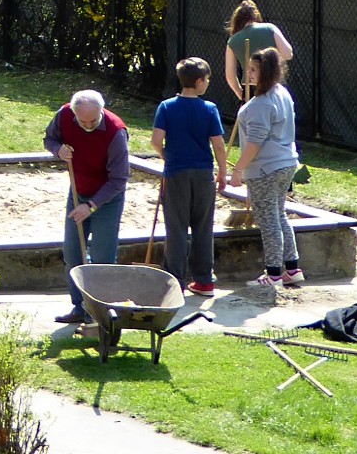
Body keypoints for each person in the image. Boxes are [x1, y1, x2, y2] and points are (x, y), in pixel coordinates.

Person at [43, 89, 130, 323]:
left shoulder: (115, 132)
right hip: (78, 192)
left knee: (102, 258)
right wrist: (58, 150)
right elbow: (49, 139)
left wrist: (90, 206)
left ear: (102, 110)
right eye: (83, 122)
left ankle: (101, 312)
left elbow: (119, 180)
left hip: (107, 199)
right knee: (73, 252)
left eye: (94, 120)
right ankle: (79, 308)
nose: (89, 126)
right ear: (74, 114)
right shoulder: (63, 115)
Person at [151, 58, 228, 297]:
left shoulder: (166, 107)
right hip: (203, 173)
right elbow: (218, 144)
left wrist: (166, 156)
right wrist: (222, 171)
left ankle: (175, 282)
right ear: (200, 81)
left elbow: (156, 140)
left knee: (176, 227)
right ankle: (204, 281)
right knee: (203, 227)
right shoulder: (210, 108)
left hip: (176, 172)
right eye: (207, 79)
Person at [229, 47, 303, 287]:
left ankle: (273, 275)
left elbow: (255, 143)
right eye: (248, 69)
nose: (248, 74)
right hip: (286, 163)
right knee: (279, 215)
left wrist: (238, 169)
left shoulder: (260, 104)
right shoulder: (282, 93)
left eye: (254, 70)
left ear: (267, 72)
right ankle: (292, 268)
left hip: (265, 168)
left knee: (268, 220)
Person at [224, 0, 293, 102]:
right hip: (272, 84)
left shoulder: (233, 41)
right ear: (256, 16)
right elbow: (288, 54)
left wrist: (242, 95)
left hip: (250, 87)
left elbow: (230, 76)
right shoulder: (270, 28)